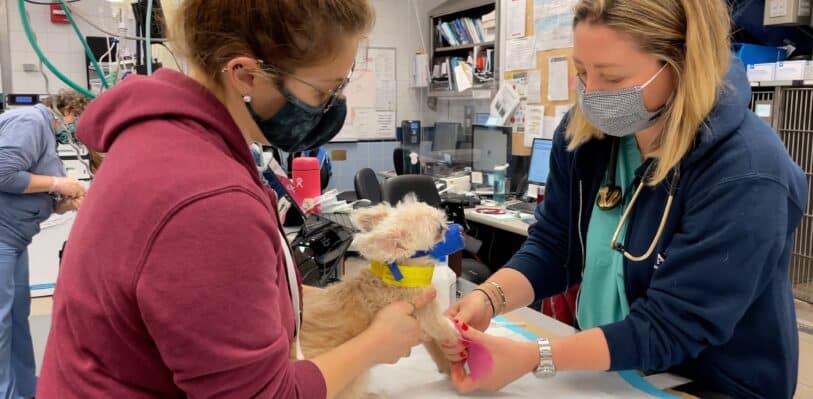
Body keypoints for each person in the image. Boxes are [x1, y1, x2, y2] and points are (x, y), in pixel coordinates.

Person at [37, 1, 434, 398]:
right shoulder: (206, 199)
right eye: (324, 90)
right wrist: (374, 345)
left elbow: (216, 300)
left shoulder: (169, 138)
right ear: (246, 75)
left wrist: (343, 302)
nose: (334, 106)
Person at [443, 1, 808, 398]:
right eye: (582, 72)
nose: (592, 95)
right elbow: (554, 245)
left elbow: (673, 326)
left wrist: (536, 357)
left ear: (681, 63)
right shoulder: (587, 135)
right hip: (611, 366)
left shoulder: (748, 172)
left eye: (613, 79)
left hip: (706, 381)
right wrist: (487, 298)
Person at [0, 91, 87, 398]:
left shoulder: (45, 136)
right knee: (1, 323)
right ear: (68, 111)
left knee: (16, 319)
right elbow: (4, 172)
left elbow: (31, 192)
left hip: (15, 239)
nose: (76, 133)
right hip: (2, 236)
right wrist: (57, 184)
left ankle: (24, 390)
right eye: (77, 123)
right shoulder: (29, 121)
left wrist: (62, 204)